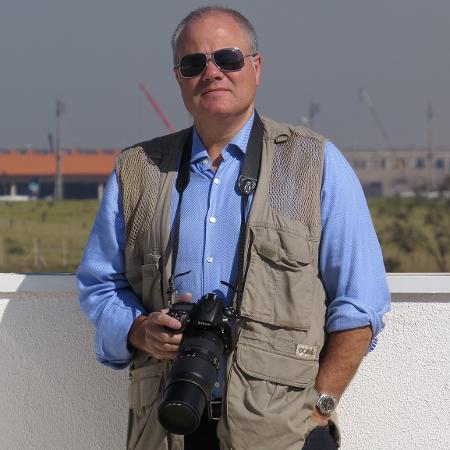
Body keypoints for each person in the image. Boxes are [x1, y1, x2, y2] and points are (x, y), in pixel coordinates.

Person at [77, 6, 390, 450]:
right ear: (178, 78)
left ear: (256, 67)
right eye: (193, 64)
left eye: (228, 58)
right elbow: (99, 284)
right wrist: (137, 328)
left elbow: (361, 304)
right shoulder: (139, 171)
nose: (212, 73)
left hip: (284, 434)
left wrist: (319, 407)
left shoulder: (313, 164)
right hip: (168, 427)